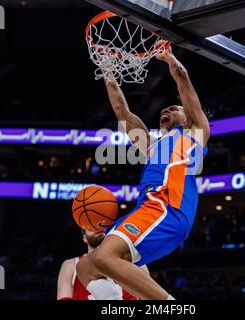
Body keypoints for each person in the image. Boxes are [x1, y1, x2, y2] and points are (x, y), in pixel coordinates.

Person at [77, 44, 210, 300]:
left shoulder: (195, 133)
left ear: (187, 118)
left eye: (174, 109)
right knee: (87, 266)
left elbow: (182, 78)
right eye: (165, 109)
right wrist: (107, 69)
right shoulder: (152, 144)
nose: (166, 110)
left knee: (105, 256)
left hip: (168, 207)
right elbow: (121, 111)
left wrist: (170, 59)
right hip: (149, 208)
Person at [57, 229, 138, 300]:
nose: (97, 227)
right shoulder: (70, 264)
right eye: (91, 226)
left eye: (101, 224)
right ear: (85, 238)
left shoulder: (134, 261)